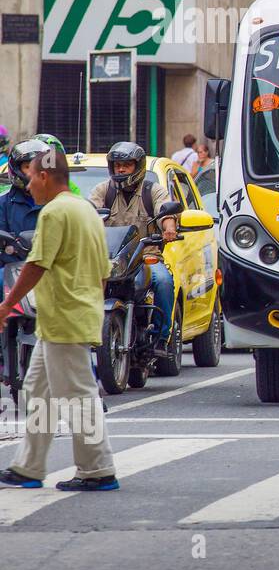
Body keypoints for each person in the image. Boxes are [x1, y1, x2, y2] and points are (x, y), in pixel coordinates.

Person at [0, 148, 117, 491]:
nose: (29, 183)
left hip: (65, 319)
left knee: (78, 396)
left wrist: (7, 305)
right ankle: (29, 467)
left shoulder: (53, 213)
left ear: (45, 177)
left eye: (32, 176)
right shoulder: (87, 211)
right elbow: (103, 272)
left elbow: (36, 264)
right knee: (38, 392)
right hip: (66, 318)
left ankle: (98, 469)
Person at [87, 142, 178, 362]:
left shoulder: (152, 190)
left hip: (146, 258)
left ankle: (160, 337)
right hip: (111, 259)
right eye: (117, 165)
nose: (121, 170)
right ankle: (84, 332)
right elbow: (89, 211)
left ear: (138, 166)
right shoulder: (103, 190)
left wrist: (169, 227)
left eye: (126, 165)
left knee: (164, 281)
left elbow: (164, 209)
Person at [0, 140, 47, 264]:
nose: (34, 172)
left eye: (39, 167)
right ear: (16, 170)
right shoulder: (4, 204)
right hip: (12, 269)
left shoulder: (60, 202)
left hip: (52, 270)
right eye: (28, 167)